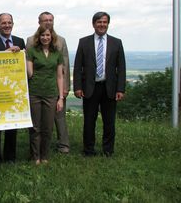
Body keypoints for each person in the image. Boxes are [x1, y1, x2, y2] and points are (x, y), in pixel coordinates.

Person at [73, 11, 126, 157]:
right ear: (93, 24)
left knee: (109, 122)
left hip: (110, 88)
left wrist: (120, 88)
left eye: (104, 22)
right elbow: (78, 67)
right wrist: (77, 87)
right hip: (90, 87)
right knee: (89, 121)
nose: (102, 25)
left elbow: (121, 68)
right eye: (99, 22)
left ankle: (108, 150)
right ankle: (88, 150)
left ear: (108, 24)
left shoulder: (117, 42)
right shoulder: (84, 42)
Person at [26, 12, 71, 153]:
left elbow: (65, 65)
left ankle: (63, 144)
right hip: (36, 88)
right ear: (39, 21)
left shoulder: (61, 40)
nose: (48, 22)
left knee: (59, 116)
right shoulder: (30, 40)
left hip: (55, 85)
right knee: (37, 121)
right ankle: (36, 150)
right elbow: (28, 65)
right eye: (45, 20)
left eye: (50, 20)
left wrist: (65, 87)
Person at [0, 13, 25, 163]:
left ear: (13, 24)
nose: (7, 25)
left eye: (9, 23)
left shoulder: (20, 41)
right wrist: (5, 55)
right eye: (3, 23)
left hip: (13, 90)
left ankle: (10, 157)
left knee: (12, 124)